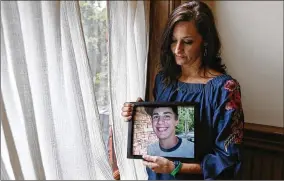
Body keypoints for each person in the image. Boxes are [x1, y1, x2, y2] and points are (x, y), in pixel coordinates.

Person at [121, 1, 244, 180]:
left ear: (205, 42)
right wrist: (140, 112)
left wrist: (175, 167)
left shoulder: (225, 89)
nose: (177, 50)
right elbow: (165, 130)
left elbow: (227, 160)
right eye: (173, 41)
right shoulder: (163, 80)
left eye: (187, 42)